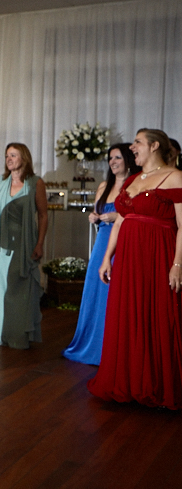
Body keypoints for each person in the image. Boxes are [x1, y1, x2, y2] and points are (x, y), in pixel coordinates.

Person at [88, 128, 182, 409]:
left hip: (158, 256)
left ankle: (158, 384)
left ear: (154, 145)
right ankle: (128, 382)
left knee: (157, 314)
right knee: (128, 313)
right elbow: (120, 221)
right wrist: (107, 258)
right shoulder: (132, 179)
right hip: (128, 259)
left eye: (138, 142)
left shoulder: (175, 177)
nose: (133, 146)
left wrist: (177, 264)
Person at [63, 144, 139, 365]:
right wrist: (94, 217)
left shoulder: (134, 185)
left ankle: (112, 346)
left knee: (113, 292)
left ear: (127, 160)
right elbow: (97, 210)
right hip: (101, 242)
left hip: (122, 243)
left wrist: (116, 216)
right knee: (96, 290)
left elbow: (134, 215)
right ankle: (92, 343)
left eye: (117, 157)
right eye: (110, 158)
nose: (112, 162)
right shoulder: (104, 186)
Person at [0, 143, 48, 349]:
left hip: (25, 243)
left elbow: (43, 215)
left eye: (13, 155)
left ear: (25, 158)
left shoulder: (35, 183)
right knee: (1, 289)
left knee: (21, 290)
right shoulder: (0, 181)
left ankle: (19, 335)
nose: (9, 159)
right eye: (6, 156)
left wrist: (40, 243)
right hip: (2, 244)